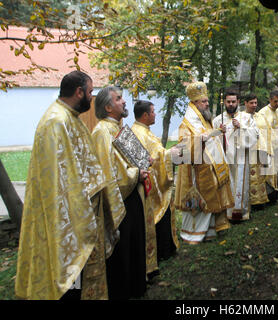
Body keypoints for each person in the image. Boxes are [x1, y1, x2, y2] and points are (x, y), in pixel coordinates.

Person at [15, 71, 120, 300]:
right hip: (67, 215)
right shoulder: (56, 121)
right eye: (91, 92)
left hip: (82, 208)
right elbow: (59, 178)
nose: (92, 98)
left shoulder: (70, 117)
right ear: (79, 92)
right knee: (68, 277)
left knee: (79, 280)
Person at [91, 86, 157, 300]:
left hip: (133, 195)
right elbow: (108, 171)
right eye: (119, 99)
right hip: (120, 200)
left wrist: (145, 162)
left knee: (134, 244)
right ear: (108, 106)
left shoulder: (118, 127)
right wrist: (135, 173)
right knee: (124, 249)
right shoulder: (102, 131)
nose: (124, 102)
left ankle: (137, 286)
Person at [174, 81, 234, 244]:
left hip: (209, 168)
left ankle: (211, 230)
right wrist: (201, 139)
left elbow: (209, 137)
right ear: (194, 103)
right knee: (202, 200)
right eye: (204, 101)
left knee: (213, 194)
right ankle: (194, 233)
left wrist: (215, 133)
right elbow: (184, 146)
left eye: (207, 101)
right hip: (196, 172)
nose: (207, 104)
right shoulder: (188, 122)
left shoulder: (203, 119)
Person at [131, 100, 180, 261]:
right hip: (150, 184)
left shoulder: (144, 130)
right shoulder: (139, 133)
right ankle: (162, 252)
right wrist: (169, 153)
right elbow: (150, 159)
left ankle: (167, 249)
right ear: (145, 115)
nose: (155, 114)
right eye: (153, 112)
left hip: (153, 180)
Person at [212, 90, 259, 222]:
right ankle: (226, 214)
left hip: (241, 158)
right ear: (225, 102)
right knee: (227, 185)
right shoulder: (217, 120)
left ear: (238, 102)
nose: (231, 104)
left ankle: (241, 213)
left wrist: (241, 127)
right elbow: (212, 140)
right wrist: (218, 132)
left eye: (233, 101)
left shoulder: (246, 119)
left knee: (240, 185)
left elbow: (256, 135)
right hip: (225, 159)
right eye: (228, 102)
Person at [243, 93, 273, 210]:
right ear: (245, 103)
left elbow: (267, 133)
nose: (254, 105)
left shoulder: (260, 117)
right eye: (251, 103)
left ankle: (261, 201)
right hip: (248, 152)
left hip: (261, 151)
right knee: (250, 178)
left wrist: (268, 150)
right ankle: (251, 202)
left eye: (255, 103)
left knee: (261, 176)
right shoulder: (241, 117)